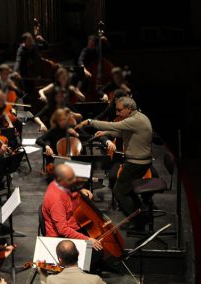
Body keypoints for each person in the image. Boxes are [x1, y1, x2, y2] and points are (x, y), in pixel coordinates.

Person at [75, 97, 152, 228]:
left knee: (119, 192)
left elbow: (114, 125)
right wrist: (105, 133)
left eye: (119, 110)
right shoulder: (138, 117)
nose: (117, 113)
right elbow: (122, 132)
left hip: (136, 163)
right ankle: (140, 215)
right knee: (128, 189)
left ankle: (139, 221)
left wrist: (89, 121)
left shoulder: (135, 120)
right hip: (139, 162)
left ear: (129, 109)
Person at [42, 164, 103, 251]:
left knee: (98, 240)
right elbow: (63, 230)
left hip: (74, 224)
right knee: (98, 251)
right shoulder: (56, 200)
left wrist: (80, 191)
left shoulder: (60, 184)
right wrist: (87, 240)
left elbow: (69, 195)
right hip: (61, 238)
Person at [40, 240, 105, 284]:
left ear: (60, 260)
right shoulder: (95, 280)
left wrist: (42, 273)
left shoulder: (51, 280)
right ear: (78, 253)